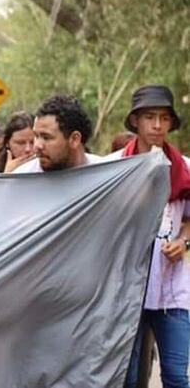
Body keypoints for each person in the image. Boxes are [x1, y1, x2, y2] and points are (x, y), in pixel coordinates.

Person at [114, 86, 190, 388]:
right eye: (149, 117)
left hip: (171, 288)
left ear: (171, 123)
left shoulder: (185, 168)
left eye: (163, 118)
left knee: (175, 374)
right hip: (124, 290)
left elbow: (188, 219)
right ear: (135, 121)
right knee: (127, 377)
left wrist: (183, 242)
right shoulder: (115, 166)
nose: (157, 125)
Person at [12, 95, 100, 173]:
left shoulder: (105, 177)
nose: (37, 146)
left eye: (46, 137)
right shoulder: (23, 180)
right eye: (36, 136)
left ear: (74, 139)